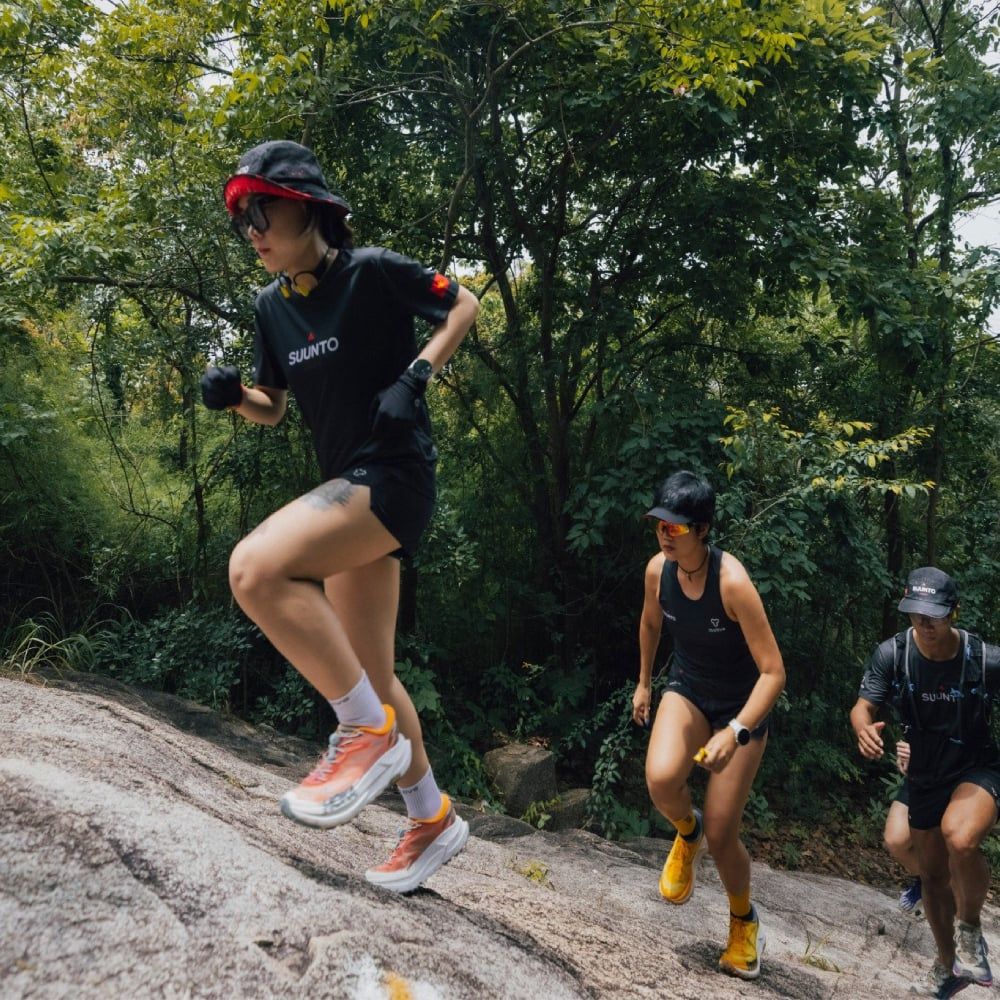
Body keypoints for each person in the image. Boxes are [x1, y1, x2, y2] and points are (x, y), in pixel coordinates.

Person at [202, 139, 480, 892]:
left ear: (309, 209)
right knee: (374, 677)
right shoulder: (270, 307)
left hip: (392, 477)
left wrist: (416, 377)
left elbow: (464, 303)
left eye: (262, 212)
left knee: (254, 568)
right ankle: (431, 818)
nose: (252, 230)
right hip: (345, 488)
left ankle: (362, 734)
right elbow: (272, 407)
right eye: (242, 220)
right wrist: (234, 398)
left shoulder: (373, 271)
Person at [632, 471, 785, 980]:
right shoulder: (659, 571)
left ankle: (743, 919)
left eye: (675, 527)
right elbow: (650, 622)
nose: (664, 534)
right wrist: (644, 683)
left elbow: (774, 673)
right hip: (690, 688)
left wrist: (736, 731)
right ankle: (686, 831)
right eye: (659, 525)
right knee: (661, 780)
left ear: (702, 529)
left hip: (742, 707)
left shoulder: (732, 583)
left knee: (723, 834)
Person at [850, 567, 1000, 998]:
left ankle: (970, 930)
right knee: (933, 876)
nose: (924, 622)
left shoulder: (983, 659)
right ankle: (948, 966)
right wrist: (863, 728)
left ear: (954, 612)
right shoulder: (893, 654)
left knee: (960, 835)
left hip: (976, 766)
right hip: (924, 771)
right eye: (916, 613)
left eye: (934, 614)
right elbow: (862, 707)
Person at [885, 741, 923, 918]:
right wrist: (907, 753)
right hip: (923, 775)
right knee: (895, 840)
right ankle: (926, 882)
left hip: (965, 777)